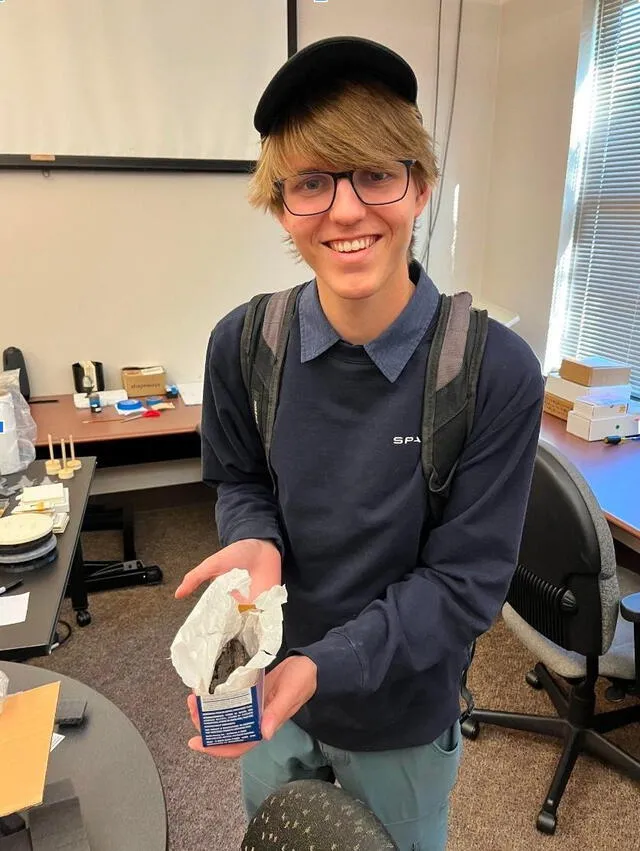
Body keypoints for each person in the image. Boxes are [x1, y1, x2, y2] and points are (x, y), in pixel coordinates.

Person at [175, 36, 545, 851]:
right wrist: (255, 544)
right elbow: (240, 479)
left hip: (400, 716)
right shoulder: (245, 345)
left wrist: (322, 664)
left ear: (420, 188)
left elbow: (463, 584)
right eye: (312, 182)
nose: (345, 210)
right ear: (281, 205)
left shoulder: (491, 372)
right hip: (269, 687)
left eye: (375, 174)